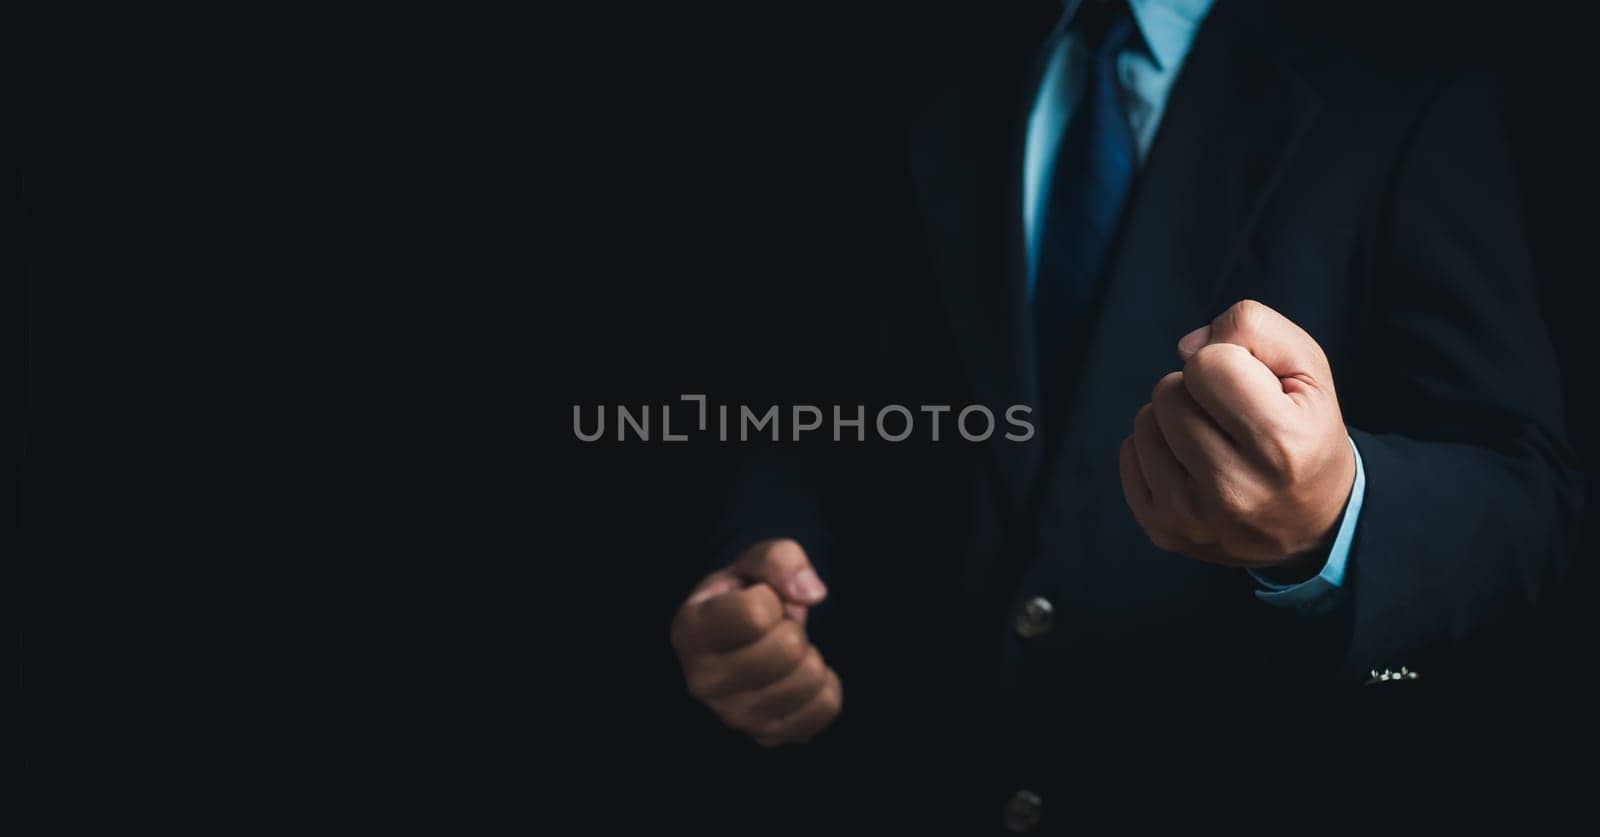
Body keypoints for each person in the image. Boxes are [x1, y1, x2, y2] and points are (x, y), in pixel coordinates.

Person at [665, 0, 1580, 830]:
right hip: (893, 787)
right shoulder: (904, 55)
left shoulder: (1405, 79)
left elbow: (1525, 488)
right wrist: (760, 564)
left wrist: (1339, 515)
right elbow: (818, 399)